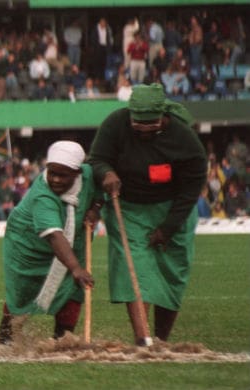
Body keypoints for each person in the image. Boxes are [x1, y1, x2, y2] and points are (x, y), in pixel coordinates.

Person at [87, 83, 206, 345]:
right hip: (128, 209)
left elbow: (192, 187)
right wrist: (106, 172)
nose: (142, 130)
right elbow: (96, 159)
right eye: (137, 124)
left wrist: (169, 228)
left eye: (150, 125)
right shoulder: (115, 124)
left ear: (163, 116)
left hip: (174, 210)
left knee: (172, 274)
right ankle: (143, 340)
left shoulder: (185, 138)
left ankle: (161, 339)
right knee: (136, 270)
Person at [0, 141, 100, 344]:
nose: (56, 179)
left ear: (78, 173)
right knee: (23, 290)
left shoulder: (90, 174)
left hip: (73, 238)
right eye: (52, 173)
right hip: (28, 243)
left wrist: (95, 207)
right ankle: (4, 339)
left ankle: (62, 339)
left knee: (72, 288)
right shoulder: (43, 194)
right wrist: (76, 268)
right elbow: (54, 236)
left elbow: (101, 191)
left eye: (63, 175)